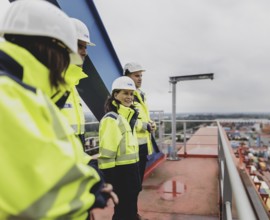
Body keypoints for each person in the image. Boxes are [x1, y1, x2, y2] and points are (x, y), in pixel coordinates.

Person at [0, 1, 117, 219]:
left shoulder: (30, 92)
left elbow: (58, 147)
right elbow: (33, 196)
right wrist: (89, 192)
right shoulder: (8, 93)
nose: (78, 57)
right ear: (53, 47)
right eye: (71, 51)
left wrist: (90, 175)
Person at [98, 76, 141, 220]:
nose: (129, 97)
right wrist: (110, 181)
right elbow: (107, 154)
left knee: (131, 209)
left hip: (132, 171)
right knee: (123, 212)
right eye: (125, 93)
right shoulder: (112, 119)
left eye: (131, 94)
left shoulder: (127, 117)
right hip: (121, 175)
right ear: (115, 95)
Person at [58, 17, 95, 147]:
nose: (85, 52)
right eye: (79, 45)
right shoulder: (49, 83)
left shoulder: (71, 84)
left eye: (85, 47)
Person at [123, 62, 156, 182]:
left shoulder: (140, 95)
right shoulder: (124, 95)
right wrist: (144, 126)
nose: (140, 79)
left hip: (142, 146)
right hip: (131, 147)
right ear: (127, 77)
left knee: (138, 183)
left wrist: (151, 124)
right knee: (131, 185)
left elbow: (143, 117)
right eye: (137, 76)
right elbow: (124, 121)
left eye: (141, 76)